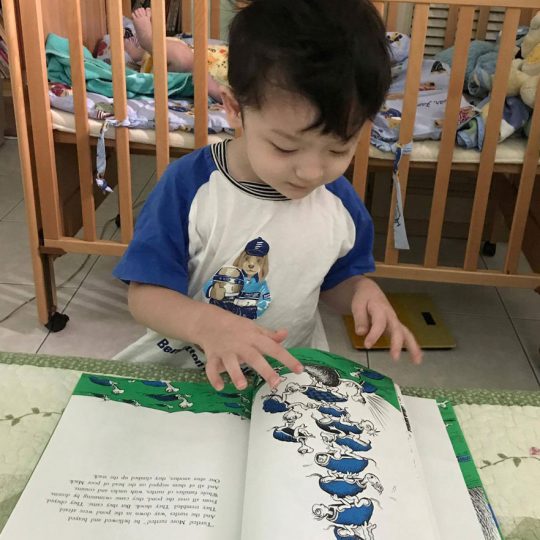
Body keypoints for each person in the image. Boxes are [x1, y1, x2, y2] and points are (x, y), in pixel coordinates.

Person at [113, 0, 422, 392]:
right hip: (184, 374)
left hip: (283, 381)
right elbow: (144, 295)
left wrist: (363, 293)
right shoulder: (189, 187)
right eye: (286, 148)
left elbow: (336, 279)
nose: (312, 172)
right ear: (234, 109)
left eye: (338, 149)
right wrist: (207, 324)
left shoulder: (339, 204)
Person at [125, 7, 226, 101]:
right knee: (184, 49)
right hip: (205, 54)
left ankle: (149, 41)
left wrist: (215, 90)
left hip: (194, 72)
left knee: (185, 58)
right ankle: (142, 54)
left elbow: (232, 99)